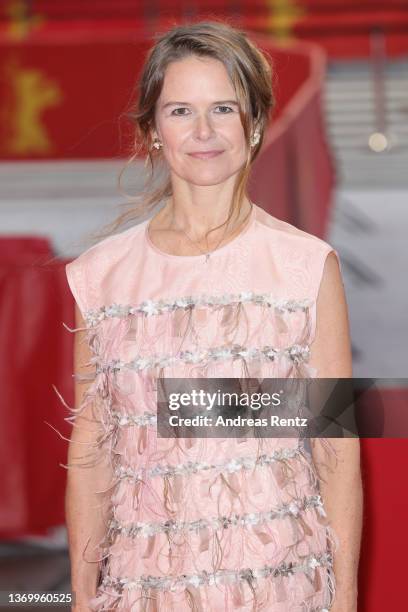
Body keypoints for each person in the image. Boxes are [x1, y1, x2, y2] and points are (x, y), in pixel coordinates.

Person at [62, 20, 362, 611]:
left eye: (223, 108)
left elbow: (333, 443)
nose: (203, 131)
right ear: (152, 130)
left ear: (253, 125)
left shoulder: (303, 266)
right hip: (146, 585)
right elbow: (93, 448)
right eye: (179, 112)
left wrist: (345, 595)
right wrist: (79, 594)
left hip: (279, 581)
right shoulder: (104, 275)